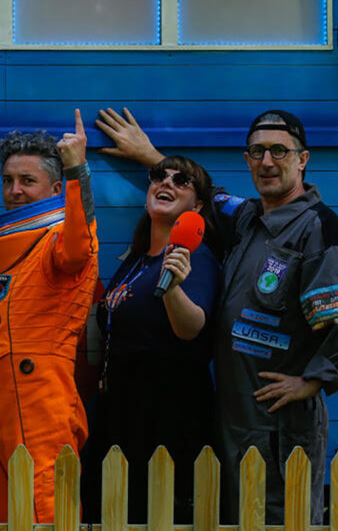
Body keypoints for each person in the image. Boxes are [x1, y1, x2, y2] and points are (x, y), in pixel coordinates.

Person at [96, 107, 338, 524]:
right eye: (258, 151)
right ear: (247, 159)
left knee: (281, 518)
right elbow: (206, 192)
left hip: (280, 428)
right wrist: (151, 157)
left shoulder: (317, 227)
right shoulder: (246, 220)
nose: (267, 162)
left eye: (280, 151)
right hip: (232, 419)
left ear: (303, 159)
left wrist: (314, 379)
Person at [0, 110, 100, 523]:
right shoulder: (2, 245)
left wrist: (79, 168)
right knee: (7, 513)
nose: (15, 191)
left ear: (57, 188)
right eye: (8, 181)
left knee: (46, 509)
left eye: (27, 181)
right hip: (0, 399)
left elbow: (80, 245)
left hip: (40, 394)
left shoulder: (62, 240)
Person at [82, 155, 222, 524]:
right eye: (160, 176)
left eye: (182, 181)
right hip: (121, 412)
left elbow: (192, 327)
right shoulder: (138, 258)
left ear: (199, 206)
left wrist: (173, 288)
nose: (167, 183)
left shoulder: (196, 257)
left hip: (167, 417)